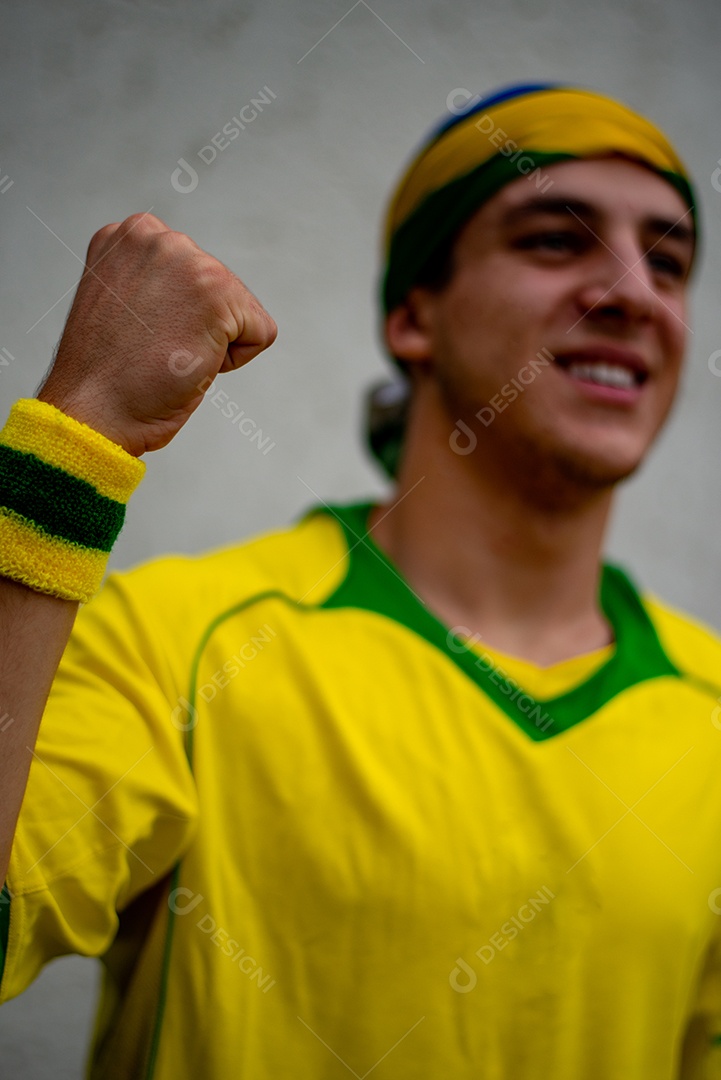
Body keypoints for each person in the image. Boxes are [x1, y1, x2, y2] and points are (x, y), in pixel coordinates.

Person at [0, 81, 718, 1079]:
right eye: (555, 240)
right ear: (413, 316)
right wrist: (75, 441)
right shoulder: (181, 639)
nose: (633, 294)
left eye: (670, 262)